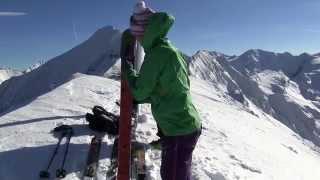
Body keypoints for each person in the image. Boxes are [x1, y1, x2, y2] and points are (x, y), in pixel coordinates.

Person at [122, 1, 202, 179]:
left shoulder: (156, 56)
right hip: (186, 123)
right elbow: (172, 86)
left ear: (145, 33)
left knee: (172, 175)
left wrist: (127, 69)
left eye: (138, 36)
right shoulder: (170, 49)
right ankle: (166, 144)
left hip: (178, 129)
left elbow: (140, 91)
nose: (138, 41)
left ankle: (168, 145)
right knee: (177, 168)